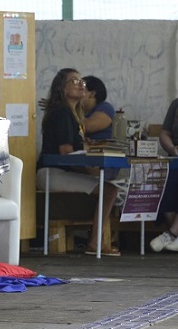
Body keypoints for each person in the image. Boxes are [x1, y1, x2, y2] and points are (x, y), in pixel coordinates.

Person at [36, 68, 121, 257]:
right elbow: (66, 151)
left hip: (58, 171)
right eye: (74, 81)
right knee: (110, 190)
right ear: (61, 88)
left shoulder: (73, 115)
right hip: (51, 172)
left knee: (107, 187)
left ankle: (95, 241)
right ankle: (95, 243)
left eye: (81, 81)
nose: (81, 84)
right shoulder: (62, 112)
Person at [149, 66, 178, 253]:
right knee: (162, 180)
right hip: (177, 152)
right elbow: (165, 132)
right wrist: (171, 147)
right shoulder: (177, 104)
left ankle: (171, 233)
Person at [80, 75, 115, 141]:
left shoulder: (105, 107)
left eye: (81, 90)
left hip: (102, 150)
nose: (77, 94)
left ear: (92, 93)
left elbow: (88, 126)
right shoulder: (83, 113)